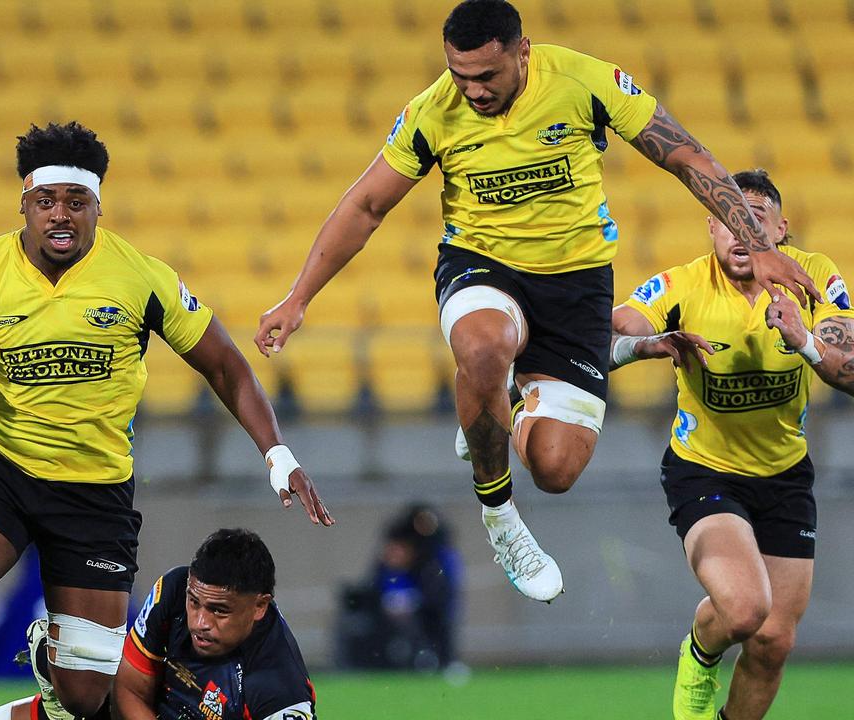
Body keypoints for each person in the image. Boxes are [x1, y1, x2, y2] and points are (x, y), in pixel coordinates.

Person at [254, 0, 819, 603]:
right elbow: (367, 206)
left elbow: (685, 155)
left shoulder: (584, 82)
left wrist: (757, 245)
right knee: (482, 342)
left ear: (522, 52)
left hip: (575, 284)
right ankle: (500, 518)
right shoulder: (432, 113)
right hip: (482, 264)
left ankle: (501, 405)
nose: (471, 91)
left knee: (555, 469)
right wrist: (299, 297)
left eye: (486, 77)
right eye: (458, 75)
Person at [0, 121, 334, 720]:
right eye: (46, 201)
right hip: (1, 472)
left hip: (95, 493)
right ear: (25, 204)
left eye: (77, 201)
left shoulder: (142, 278)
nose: (61, 215)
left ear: (98, 206)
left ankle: (52, 671)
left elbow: (226, 367)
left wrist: (278, 455)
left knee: (85, 698)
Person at [611, 169, 854, 720]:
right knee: (744, 612)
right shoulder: (682, 285)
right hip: (706, 472)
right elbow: (603, 335)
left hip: (785, 474)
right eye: (728, 221)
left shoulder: (814, 277)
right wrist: (643, 346)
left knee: (773, 644)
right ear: (710, 228)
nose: (740, 234)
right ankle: (701, 651)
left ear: (782, 230)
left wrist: (806, 343)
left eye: (756, 222)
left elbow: (851, 367)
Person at [0, 528, 316, 720]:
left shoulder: (280, 692)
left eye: (219, 611)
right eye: (195, 603)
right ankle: (66, 690)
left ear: (259, 606)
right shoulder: (172, 591)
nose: (200, 622)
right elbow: (128, 689)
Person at [337, 503, 461, 671]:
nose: (393, 554)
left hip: (425, 620)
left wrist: (411, 603)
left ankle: (434, 660)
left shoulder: (431, 566)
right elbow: (372, 593)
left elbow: (438, 601)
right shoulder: (385, 569)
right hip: (386, 625)